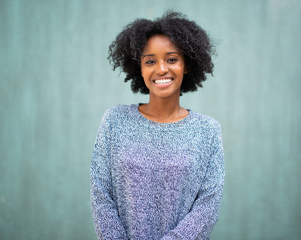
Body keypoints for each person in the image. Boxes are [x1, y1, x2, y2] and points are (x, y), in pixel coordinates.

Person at [90, 11, 225, 240]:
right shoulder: (114, 121)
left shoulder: (208, 131)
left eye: (171, 59)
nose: (161, 69)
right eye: (150, 61)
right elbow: (101, 196)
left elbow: (207, 207)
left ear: (187, 65)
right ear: (139, 68)